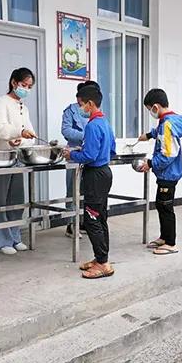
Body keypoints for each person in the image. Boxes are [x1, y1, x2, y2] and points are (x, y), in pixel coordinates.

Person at [63, 85, 116, 279]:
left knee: (92, 219)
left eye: (81, 105)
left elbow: (90, 155)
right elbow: (112, 150)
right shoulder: (105, 123)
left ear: (90, 104)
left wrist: (72, 154)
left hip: (94, 175)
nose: (80, 109)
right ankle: (101, 257)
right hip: (105, 173)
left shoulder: (92, 125)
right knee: (101, 218)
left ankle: (103, 264)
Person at [137, 89, 182, 255]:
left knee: (166, 207)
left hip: (168, 173)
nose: (150, 113)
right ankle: (164, 237)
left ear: (155, 107)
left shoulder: (167, 124)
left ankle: (171, 243)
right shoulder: (166, 121)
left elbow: (168, 153)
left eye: (149, 109)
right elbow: (161, 134)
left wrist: (150, 163)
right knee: (161, 205)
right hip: (165, 173)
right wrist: (149, 135)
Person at [0, 67, 37, 254]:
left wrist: (21, 139)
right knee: (0, 200)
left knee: (16, 199)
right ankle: (1, 241)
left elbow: (30, 135)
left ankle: (14, 237)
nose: (26, 89)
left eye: (29, 86)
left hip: (17, 157)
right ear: (14, 82)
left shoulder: (24, 107)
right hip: (1, 158)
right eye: (24, 85)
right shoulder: (3, 102)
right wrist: (17, 134)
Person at [61, 80, 100, 239]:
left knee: (87, 191)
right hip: (74, 155)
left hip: (90, 157)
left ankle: (85, 222)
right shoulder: (70, 111)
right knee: (73, 192)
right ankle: (71, 224)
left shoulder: (96, 111)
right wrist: (86, 136)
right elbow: (66, 130)